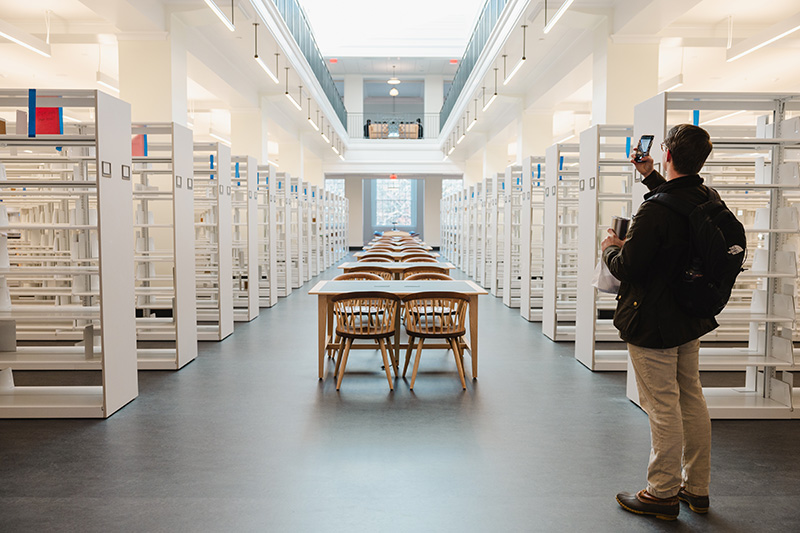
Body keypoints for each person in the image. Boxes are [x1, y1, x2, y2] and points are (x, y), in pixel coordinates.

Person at [602, 124, 715, 521]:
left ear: (668, 155)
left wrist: (611, 250)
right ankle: (695, 488)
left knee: (662, 405)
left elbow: (630, 266)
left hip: (653, 320)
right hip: (690, 316)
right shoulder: (707, 198)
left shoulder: (655, 209)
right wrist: (649, 175)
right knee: (691, 396)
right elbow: (674, 206)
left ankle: (661, 492)